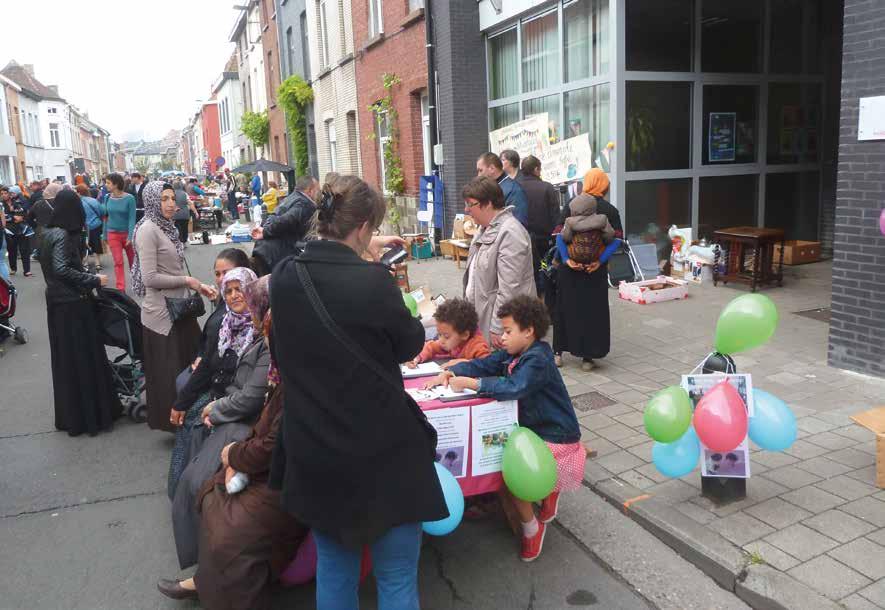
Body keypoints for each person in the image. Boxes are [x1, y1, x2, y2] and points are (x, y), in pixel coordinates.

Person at [269, 175, 447, 609]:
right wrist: (381, 271)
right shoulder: (374, 281)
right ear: (366, 227)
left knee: (335, 570)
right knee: (397, 577)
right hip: (383, 451)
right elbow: (408, 344)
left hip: (317, 449)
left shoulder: (284, 277)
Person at [158, 311, 308, 608]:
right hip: (276, 469)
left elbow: (272, 441)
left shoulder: (298, 381)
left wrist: (234, 455)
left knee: (231, 530)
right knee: (213, 495)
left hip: (292, 482)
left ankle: (220, 590)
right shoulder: (291, 376)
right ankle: (208, 583)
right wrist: (236, 458)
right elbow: (268, 430)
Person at [425, 295, 582, 562]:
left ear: (529, 331)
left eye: (508, 331)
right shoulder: (516, 352)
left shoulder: (538, 360)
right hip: (533, 430)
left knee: (508, 473)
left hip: (556, 434)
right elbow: (484, 364)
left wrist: (474, 384)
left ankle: (532, 528)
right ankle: (547, 494)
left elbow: (515, 387)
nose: (502, 337)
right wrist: (454, 371)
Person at [170, 271, 271, 571]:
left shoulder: (266, 339)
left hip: (243, 417)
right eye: (230, 291)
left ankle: (206, 565)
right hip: (228, 404)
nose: (238, 298)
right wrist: (188, 403)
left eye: (245, 293)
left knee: (199, 482)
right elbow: (210, 368)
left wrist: (214, 409)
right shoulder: (225, 324)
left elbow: (253, 397)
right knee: (191, 454)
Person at [133, 181, 216, 432]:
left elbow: (174, 268)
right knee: (172, 373)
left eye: (172, 198)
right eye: (164, 199)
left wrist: (198, 286)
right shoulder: (148, 230)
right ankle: (175, 424)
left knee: (189, 366)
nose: (171, 203)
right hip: (162, 315)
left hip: (180, 309)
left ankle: (189, 420)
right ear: (151, 202)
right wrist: (188, 281)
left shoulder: (166, 227)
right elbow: (149, 278)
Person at [40, 190, 122, 436]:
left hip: (57, 304)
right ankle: (91, 415)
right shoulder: (63, 236)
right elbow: (62, 268)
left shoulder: (47, 233)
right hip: (73, 305)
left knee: (67, 362)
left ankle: (73, 415)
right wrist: (93, 279)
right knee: (84, 359)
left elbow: (53, 269)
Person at [553, 168, 621, 371]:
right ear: (603, 185)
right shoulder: (609, 210)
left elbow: (558, 235)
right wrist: (600, 261)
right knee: (592, 312)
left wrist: (566, 260)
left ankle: (558, 352)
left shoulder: (572, 205)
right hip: (595, 270)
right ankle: (587, 357)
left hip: (570, 269)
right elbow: (617, 240)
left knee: (564, 308)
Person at [461, 176, 535, 347]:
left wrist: (498, 326)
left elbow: (510, 289)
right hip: (482, 320)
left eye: (469, 204)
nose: (466, 210)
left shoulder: (510, 233)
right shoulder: (483, 229)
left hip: (501, 327)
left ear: (487, 204)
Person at [251, 175, 319, 275]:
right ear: (310, 190)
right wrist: (265, 231)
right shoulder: (305, 204)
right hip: (276, 256)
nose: (319, 193)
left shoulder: (291, 198)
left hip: (264, 250)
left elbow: (274, 216)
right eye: (318, 190)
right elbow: (288, 219)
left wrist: (265, 230)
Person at [405, 298, 491, 369]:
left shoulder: (477, 346)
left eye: (446, 336)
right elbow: (431, 346)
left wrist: (464, 363)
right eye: (439, 334)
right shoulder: (452, 342)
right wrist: (417, 357)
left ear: (464, 335)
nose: (441, 340)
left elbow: (488, 366)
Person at [518, 155, 561, 293]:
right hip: (544, 239)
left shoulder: (515, 186)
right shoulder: (547, 188)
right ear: (536, 169)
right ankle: (544, 301)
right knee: (544, 270)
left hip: (520, 237)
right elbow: (555, 215)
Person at [558, 194, 615, 269]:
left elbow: (566, 237)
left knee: (559, 236)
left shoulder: (569, 221)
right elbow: (609, 235)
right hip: (596, 254)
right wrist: (605, 241)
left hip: (575, 255)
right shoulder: (602, 219)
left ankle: (556, 260)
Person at [103, 173, 137, 291]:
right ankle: (120, 288)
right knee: (118, 261)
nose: (105, 185)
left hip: (127, 234)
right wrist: (104, 235)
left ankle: (137, 283)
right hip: (112, 233)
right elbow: (105, 217)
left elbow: (132, 218)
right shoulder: (107, 197)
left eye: (108, 183)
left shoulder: (130, 198)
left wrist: (131, 236)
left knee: (133, 261)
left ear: (116, 184)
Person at [476, 152, 528, 226]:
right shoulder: (490, 188)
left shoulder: (513, 190)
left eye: (480, 170)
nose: (478, 175)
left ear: (492, 168)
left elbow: (518, 223)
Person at [3, 186, 35, 277]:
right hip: (9, 230)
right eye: (2, 194)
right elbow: (4, 217)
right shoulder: (1, 204)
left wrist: (21, 217)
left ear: (10, 194)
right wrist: (13, 217)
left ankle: (27, 270)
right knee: (11, 250)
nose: (4, 195)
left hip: (22, 229)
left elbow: (25, 213)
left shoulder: (18, 201)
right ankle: (13, 268)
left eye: (6, 193)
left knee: (25, 250)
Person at [77, 184, 105, 271]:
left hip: (83, 227)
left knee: (84, 245)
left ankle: (85, 263)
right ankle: (97, 263)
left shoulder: (77, 202)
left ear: (79, 192)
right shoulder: (93, 200)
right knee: (96, 243)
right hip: (95, 225)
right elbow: (101, 212)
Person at [30, 182, 61, 258]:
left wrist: (36, 226)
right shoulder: (61, 202)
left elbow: (29, 217)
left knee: (45, 256)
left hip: (42, 231)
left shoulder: (38, 203)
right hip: (59, 231)